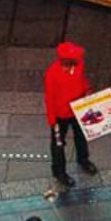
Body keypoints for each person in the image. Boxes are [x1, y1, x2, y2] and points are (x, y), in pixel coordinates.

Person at [41, 41, 98, 188]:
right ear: (65, 59)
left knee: (81, 135)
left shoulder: (78, 65)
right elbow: (49, 98)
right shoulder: (52, 74)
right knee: (58, 145)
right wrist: (52, 120)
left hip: (78, 109)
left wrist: (87, 89)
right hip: (61, 115)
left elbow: (82, 81)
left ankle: (83, 160)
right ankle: (59, 173)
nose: (78, 59)